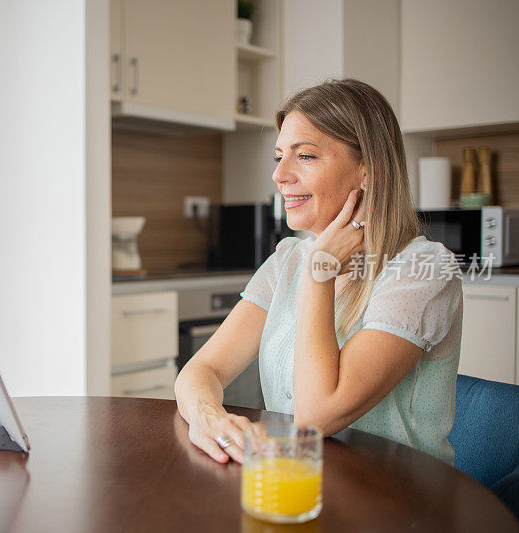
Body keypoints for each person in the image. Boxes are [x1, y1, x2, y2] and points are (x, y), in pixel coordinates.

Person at [174, 78, 463, 466]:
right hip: (299, 483)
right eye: (279, 157)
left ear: (367, 170)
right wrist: (208, 417)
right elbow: (202, 369)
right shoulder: (288, 259)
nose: (280, 175)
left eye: (305, 156)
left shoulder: (423, 271)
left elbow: (315, 416)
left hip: (398, 504)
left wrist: (320, 275)